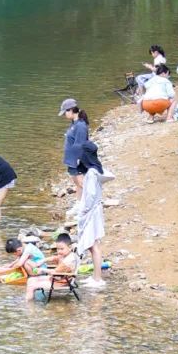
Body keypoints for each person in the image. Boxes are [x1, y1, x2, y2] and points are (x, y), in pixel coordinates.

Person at [75, 140, 106, 288]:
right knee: (92, 245)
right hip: (94, 210)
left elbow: (91, 195)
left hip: (91, 212)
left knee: (93, 245)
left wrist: (83, 211)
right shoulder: (96, 170)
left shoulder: (92, 173)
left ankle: (98, 279)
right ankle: (95, 276)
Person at [25, 231, 78, 303]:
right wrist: (43, 260)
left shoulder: (67, 261)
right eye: (58, 249)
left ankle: (29, 305)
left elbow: (54, 272)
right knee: (31, 280)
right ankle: (30, 299)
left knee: (31, 286)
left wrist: (42, 270)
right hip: (58, 279)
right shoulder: (67, 255)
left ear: (70, 247)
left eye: (62, 249)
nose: (59, 251)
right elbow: (55, 258)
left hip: (60, 282)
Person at [59, 99, 90, 191]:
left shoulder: (80, 125)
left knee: (82, 184)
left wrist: (78, 160)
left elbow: (81, 144)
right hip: (71, 160)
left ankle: (92, 203)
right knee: (77, 184)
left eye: (65, 112)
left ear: (71, 110)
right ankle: (80, 203)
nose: (64, 115)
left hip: (77, 161)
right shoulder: (74, 123)